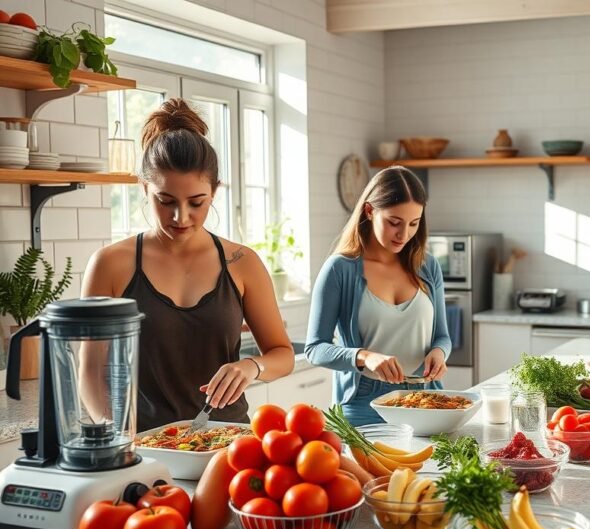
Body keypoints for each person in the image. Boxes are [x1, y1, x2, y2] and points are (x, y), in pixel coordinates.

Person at [82, 98, 294, 431]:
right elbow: (91, 373)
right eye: (165, 201)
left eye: (197, 202)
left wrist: (251, 366)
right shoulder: (109, 265)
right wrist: (116, 439)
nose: (181, 217)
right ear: (144, 188)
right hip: (143, 446)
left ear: (215, 192)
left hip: (230, 446)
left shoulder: (242, 263)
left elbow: (282, 354)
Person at [305, 166, 451, 426]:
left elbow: (442, 336)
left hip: (427, 399)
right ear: (370, 211)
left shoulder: (427, 267)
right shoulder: (340, 269)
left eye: (413, 224)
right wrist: (364, 357)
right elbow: (315, 349)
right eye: (394, 222)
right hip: (363, 404)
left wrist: (440, 352)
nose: (404, 234)